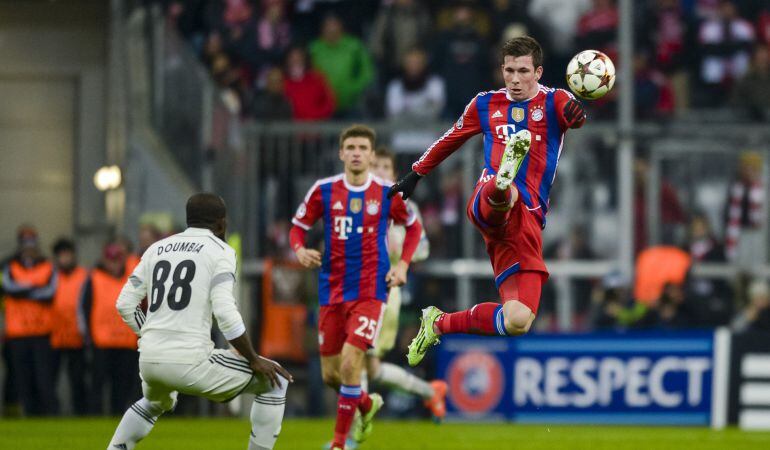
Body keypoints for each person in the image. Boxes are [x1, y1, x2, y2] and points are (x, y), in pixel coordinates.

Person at [388, 36, 587, 366]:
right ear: (501, 70)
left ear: (538, 72)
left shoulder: (555, 101)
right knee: (503, 193)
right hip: (488, 203)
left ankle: (437, 323)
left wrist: (578, 111)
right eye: (509, 70)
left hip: (527, 223)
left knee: (518, 320)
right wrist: (415, 174)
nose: (515, 79)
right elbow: (449, 139)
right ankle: (504, 179)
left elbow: (576, 117)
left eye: (523, 71)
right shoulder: (485, 103)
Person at [107, 193, 292, 450]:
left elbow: (124, 303)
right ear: (221, 224)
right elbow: (225, 312)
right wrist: (253, 358)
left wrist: (151, 335)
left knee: (155, 402)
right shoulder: (221, 251)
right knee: (277, 382)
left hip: (149, 359)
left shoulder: (156, 249)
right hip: (191, 361)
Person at [289, 125, 423, 449]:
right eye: (350, 147)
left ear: (372, 154)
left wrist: (403, 265)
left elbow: (414, 228)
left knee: (351, 364)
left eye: (363, 147)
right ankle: (365, 403)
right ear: (341, 153)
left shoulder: (387, 192)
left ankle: (338, 443)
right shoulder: (324, 190)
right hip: (331, 290)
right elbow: (298, 227)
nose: (357, 153)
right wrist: (299, 249)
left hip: (370, 290)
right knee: (331, 376)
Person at [367, 148, 447, 420]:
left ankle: (349, 434)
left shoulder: (406, 206)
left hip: (385, 290)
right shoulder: (360, 201)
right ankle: (429, 392)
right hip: (355, 288)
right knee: (369, 368)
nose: (378, 171)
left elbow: (422, 249)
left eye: (384, 166)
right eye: (374, 165)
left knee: (355, 362)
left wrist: (397, 253)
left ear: (393, 173)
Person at [1, 225, 58, 415]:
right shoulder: (8, 265)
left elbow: (49, 293)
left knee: (43, 378)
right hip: (16, 333)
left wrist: (23, 290)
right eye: (25, 243)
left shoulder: (48, 265)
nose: (29, 247)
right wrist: (34, 289)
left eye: (31, 242)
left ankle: (45, 414)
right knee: (19, 378)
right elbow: (8, 287)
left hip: (41, 333)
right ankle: (25, 413)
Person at [80, 241, 140, 415]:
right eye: (110, 259)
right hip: (102, 342)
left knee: (122, 385)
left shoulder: (132, 279)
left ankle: (117, 416)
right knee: (97, 384)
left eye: (118, 259)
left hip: (125, 341)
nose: (114, 263)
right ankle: (95, 417)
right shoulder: (94, 278)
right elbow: (84, 309)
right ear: (104, 259)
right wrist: (88, 338)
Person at [49, 238, 89, 415]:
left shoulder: (84, 275)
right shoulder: (50, 275)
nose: (64, 259)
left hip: (76, 336)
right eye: (61, 256)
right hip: (53, 335)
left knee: (78, 379)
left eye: (67, 255)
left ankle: (80, 412)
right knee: (49, 380)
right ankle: (50, 412)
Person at [309, 14, 375, 116]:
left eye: (334, 25)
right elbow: (308, 75)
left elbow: (367, 72)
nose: (331, 29)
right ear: (322, 29)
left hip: (352, 104)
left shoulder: (354, 46)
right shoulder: (314, 49)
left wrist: (352, 89)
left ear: (341, 26)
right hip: (322, 106)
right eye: (328, 26)